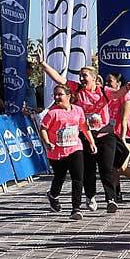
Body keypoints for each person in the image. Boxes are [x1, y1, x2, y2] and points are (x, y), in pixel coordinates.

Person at [38, 53, 120, 210]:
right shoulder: (76, 89)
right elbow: (59, 80)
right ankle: (90, 197)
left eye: (85, 76)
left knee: (106, 168)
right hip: (84, 134)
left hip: (104, 135)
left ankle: (111, 199)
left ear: (94, 79)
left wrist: (129, 87)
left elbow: (117, 94)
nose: (81, 79)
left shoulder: (104, 91)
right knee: (88, 170)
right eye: (80, 76)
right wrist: (43, 64)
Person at [39, 82, 94, 220]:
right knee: (59, 177)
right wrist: (47, 142)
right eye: (55, 95)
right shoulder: (52, 113)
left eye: (60, 94)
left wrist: (91, 142)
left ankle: (76, 208)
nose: (57, 97)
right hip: (56, 151)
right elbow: (43, 129)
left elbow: (83, 127)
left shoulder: (78, 110)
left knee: (77, 178)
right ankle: (53, 196)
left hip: (75, 147)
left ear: (69, 96)